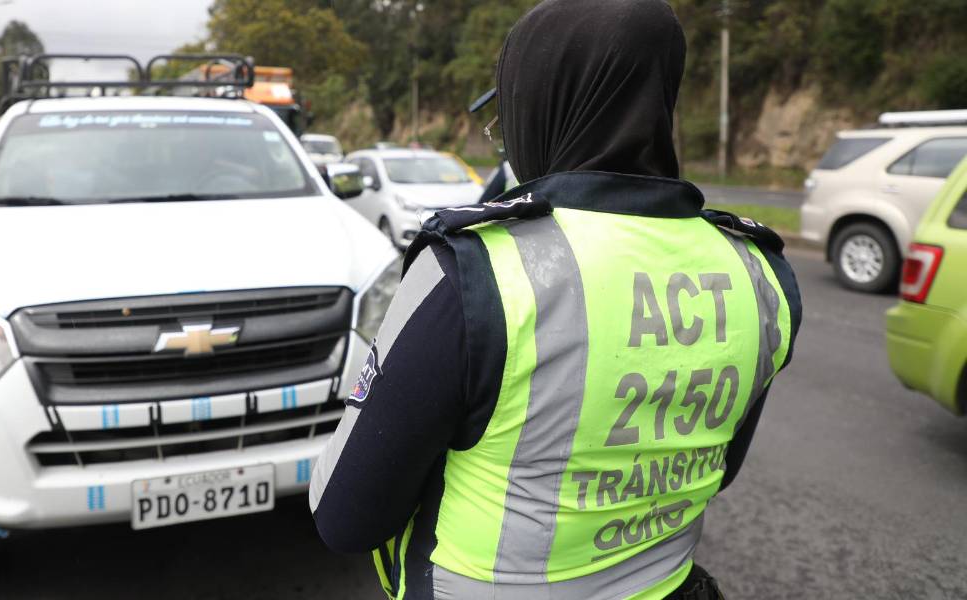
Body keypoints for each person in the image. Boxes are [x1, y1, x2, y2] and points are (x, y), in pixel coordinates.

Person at [309, 1, 802, 599]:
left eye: (507, 119)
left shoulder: (475, 270)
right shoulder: (760, 270)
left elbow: (346, 516)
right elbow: (717, 471)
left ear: (543, 107)